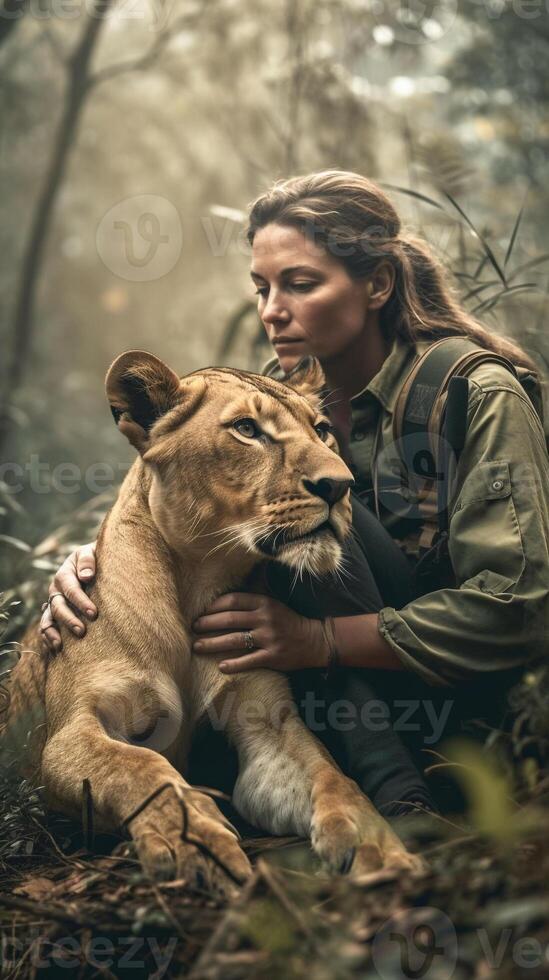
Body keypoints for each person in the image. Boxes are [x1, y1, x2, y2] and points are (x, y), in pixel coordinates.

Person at [39, 170, 549, 816]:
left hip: (469, 719)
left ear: (377, 285)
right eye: (261, 287)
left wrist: (321, 640)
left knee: (320, 512)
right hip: (312, 711)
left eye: (300, 284)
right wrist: (97, 568)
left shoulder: (475, 394)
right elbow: (192, 491)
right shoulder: (288, 395)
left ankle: (401, 803)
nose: (271, 310)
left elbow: (520, 610)